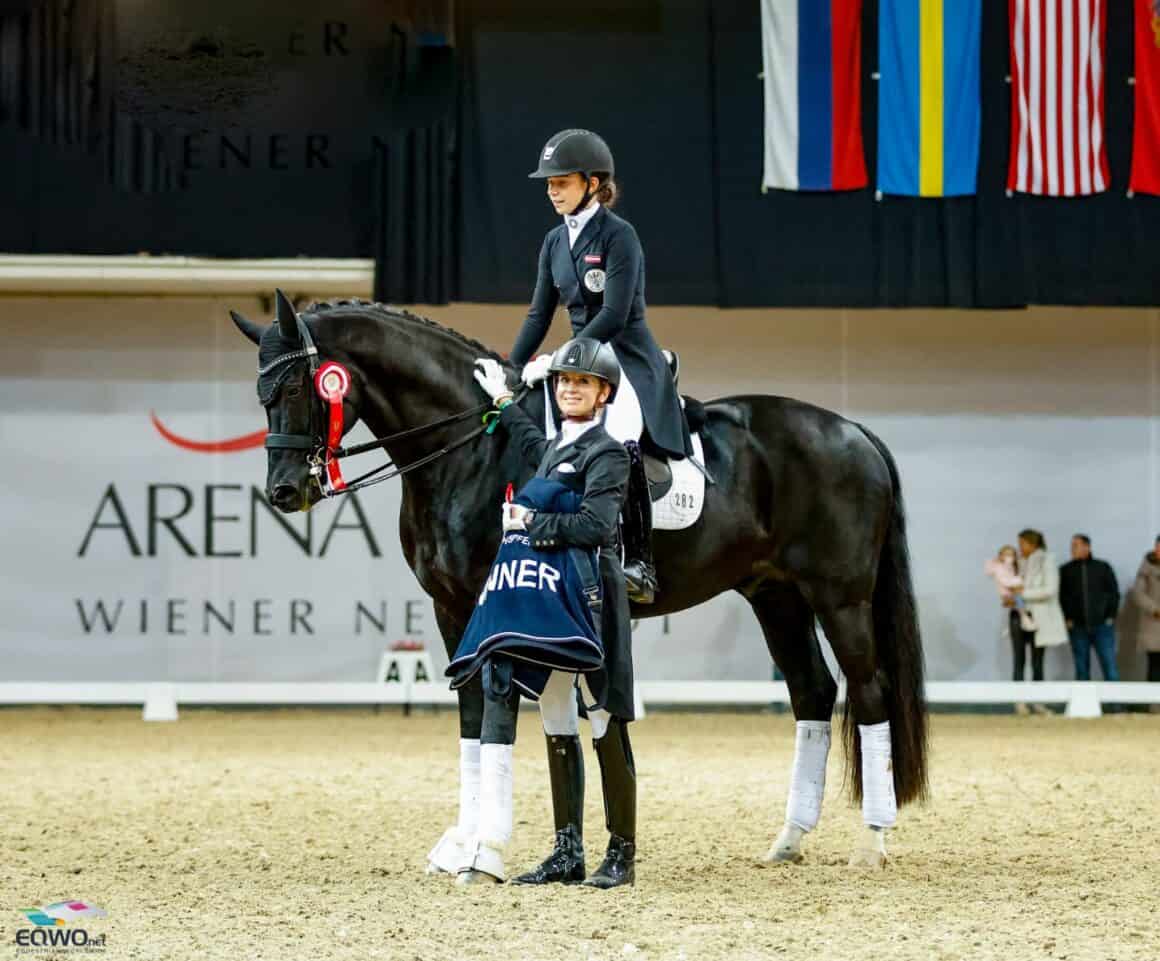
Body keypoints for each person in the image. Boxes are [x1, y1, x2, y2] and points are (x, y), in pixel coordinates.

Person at [452, 337, 637, 889]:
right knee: (556, 715)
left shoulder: (608, 452)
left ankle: (622, 852)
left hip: (591, 596)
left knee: (602, 717)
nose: (569, 389)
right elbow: (532, 438)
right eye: (563, 382)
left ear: (603, 393)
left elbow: (596, 526)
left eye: (581, 383)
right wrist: (506, 402)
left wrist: (530, 526)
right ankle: (567, 851)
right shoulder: (557, 448)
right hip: (549, 599)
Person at [509, 128, 692, 605]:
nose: (552, 191)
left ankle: (639, 562)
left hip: (626, 357)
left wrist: (559, 361)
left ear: (592, 183)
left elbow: (613, 314)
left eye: (561, 182)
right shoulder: (553, 242)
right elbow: (538, 314)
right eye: (548, 184)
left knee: (622, 430)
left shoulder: (618, 236)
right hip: (581, 362)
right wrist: (510, 369)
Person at [1007, 530, 1068, 713]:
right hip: (1019, 614)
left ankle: (1038, 701)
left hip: (1038, 617)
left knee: (1037, 661)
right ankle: (1019, 702)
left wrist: (1022, 594)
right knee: (1018, 660)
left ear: (1033, 544)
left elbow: (1050, 589)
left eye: (1023, 544)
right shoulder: (1018, 563)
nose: (1020, 548)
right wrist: (1011, 597)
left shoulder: (1047, 560)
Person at [1058, 534, 1121, 681]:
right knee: (1081, 670)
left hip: (1102, 626)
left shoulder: (1102, 567)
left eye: (1076, 545)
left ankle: (1115, 703)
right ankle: (1083, 704)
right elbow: (1062, 597)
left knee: (1110, 667)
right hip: (1077, 627)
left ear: (1087, 547)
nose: (1072, 549)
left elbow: (1114, 593)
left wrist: (1110, 616)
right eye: (1072, 546)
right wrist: (1067, 618)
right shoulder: (1066, 570)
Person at [1128, 534, 1160, 687]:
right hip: (1154, 625)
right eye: (1157, 546)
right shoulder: (1147, 567)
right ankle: (1154, 707)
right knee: (1155, 666)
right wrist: (1155, 609)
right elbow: (1137, 593)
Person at [984, 544, 1035, 632]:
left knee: (1018, 604)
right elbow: (1005, 581)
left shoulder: (1011, 566)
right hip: (1006, 592)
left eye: (1012, 555)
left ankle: (1011, 626)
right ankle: (1024, 619)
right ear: (1001, 556)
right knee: (1019, 602)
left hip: (1012, 589)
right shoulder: (999, 568)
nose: (1010, 557)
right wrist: (1019, 581)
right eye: (1007, 554)